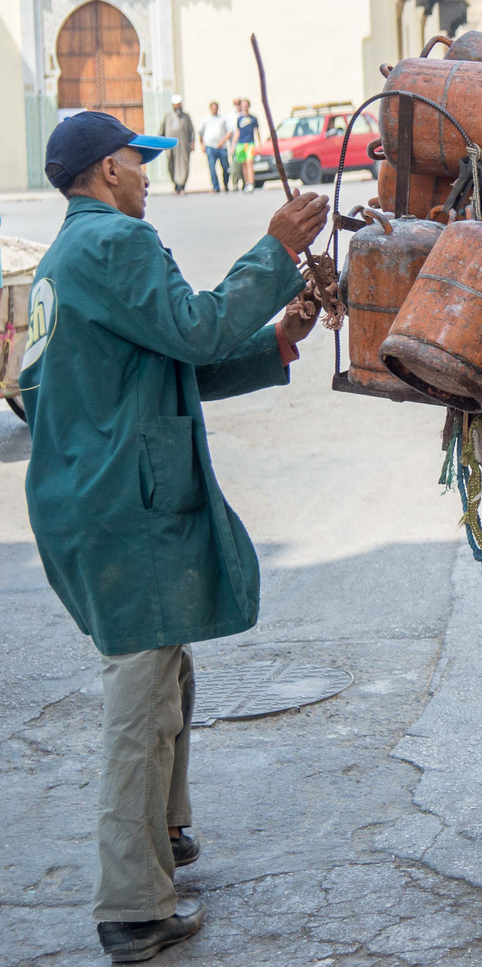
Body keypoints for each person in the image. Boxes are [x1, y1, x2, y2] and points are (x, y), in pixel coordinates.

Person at [21, 111, 328, 961]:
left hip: (87, 496)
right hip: (119, 501)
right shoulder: (110, 245)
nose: (151, 173)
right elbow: (193, 327)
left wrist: (278, 342)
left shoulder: (67, 259)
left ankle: (168, 831)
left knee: (166, 675)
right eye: (138, 160)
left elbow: (167, 357)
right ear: (104, 171)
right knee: (141, 696)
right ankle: (131, 904)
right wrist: (274, 248)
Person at [161, 96, 195, 196]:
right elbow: (161, 130)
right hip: (171, 146)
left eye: (179, 104)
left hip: (183, 145)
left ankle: (182, 186)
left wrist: (192, 143)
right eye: (175, 105)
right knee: (171, 164)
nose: (177, 106)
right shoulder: (168, 116)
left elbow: (191, 131)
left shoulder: (186, 117)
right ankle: (176, 185)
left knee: (184, 165)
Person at [198, 101, 231, 193]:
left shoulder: (223, 119)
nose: (214, 110)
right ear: (210, 109)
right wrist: (202, 145)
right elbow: (200, 133)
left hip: (221, 147)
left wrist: (222, 142)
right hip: (210, 146)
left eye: (215, 108)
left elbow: (229, 132)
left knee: (225, 167)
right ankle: (216, 186)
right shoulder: (205, 120)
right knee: (212, 167)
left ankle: (226, 183)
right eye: (212, 108)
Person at [231, 98, 260, 192]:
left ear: (249, 106)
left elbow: (257, 131)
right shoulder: (239, 119)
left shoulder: (253, 118)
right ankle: (247, 183)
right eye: (243, 105)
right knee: (243, 163)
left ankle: (251, 183)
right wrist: (233, 145)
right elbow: (237, 132)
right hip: (241, 144)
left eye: (246, 105)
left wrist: (259, 144)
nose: (245, 107)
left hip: (250, 142)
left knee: (249, 162)